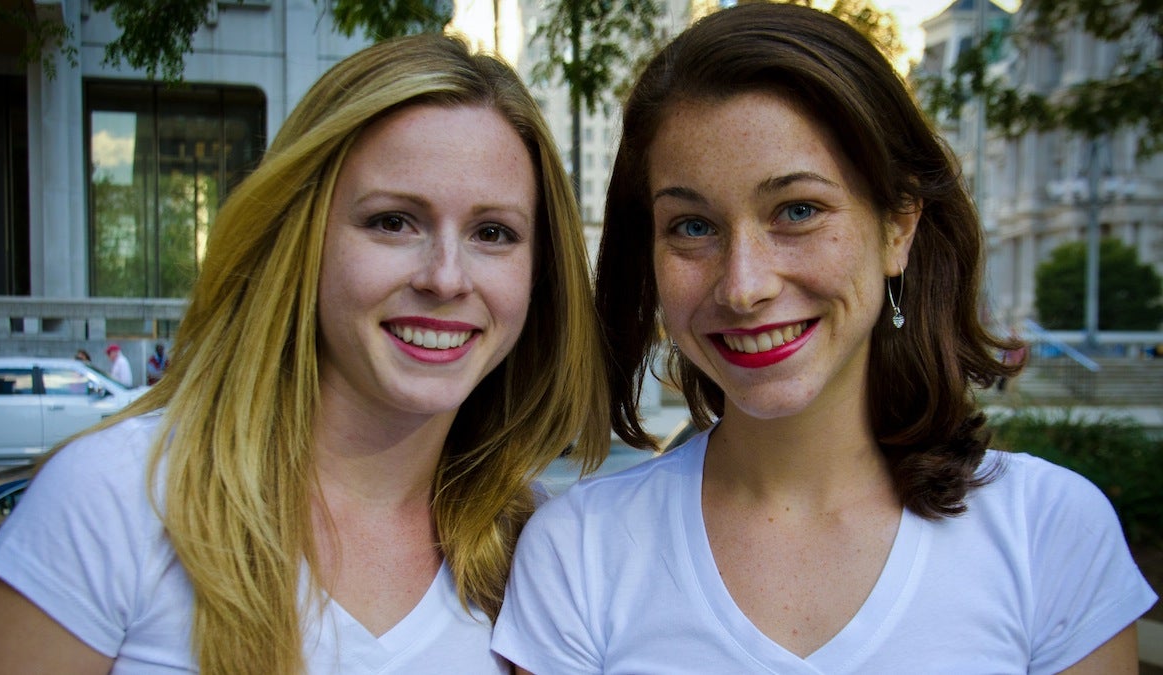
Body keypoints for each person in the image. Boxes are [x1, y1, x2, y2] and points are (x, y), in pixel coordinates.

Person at [493, 4, 1156, 673]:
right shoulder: (578, 551)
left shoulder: (1048, 532)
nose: (743, 285)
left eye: (798, 210)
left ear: (898, 227)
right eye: (692, 226)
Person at [0, 34, 608, 673]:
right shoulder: (116, 498)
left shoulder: (541, 551)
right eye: (392, 221)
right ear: (305, 237)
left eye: (493, 233)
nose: (445, 278)